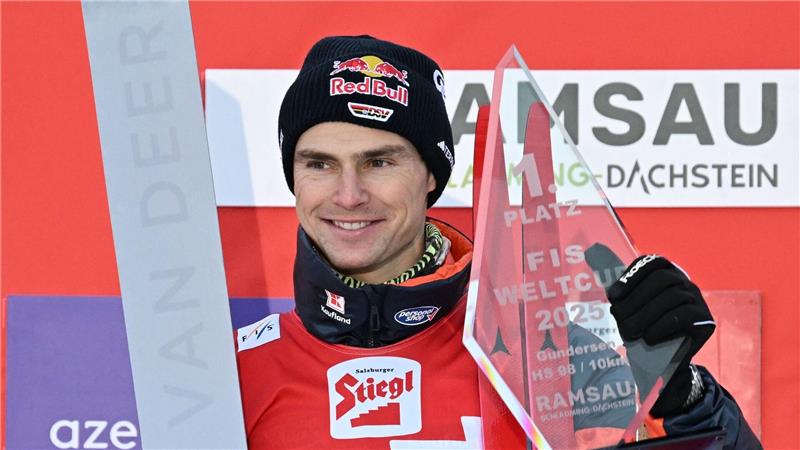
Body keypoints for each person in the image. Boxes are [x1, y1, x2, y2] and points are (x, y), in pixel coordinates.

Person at [235, 35, 761, 450]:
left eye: (380, 162)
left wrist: (683, 396)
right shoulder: (233, 371)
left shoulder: (546, 361)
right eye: (320, 164)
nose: (348, 195)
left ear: (430, 178)